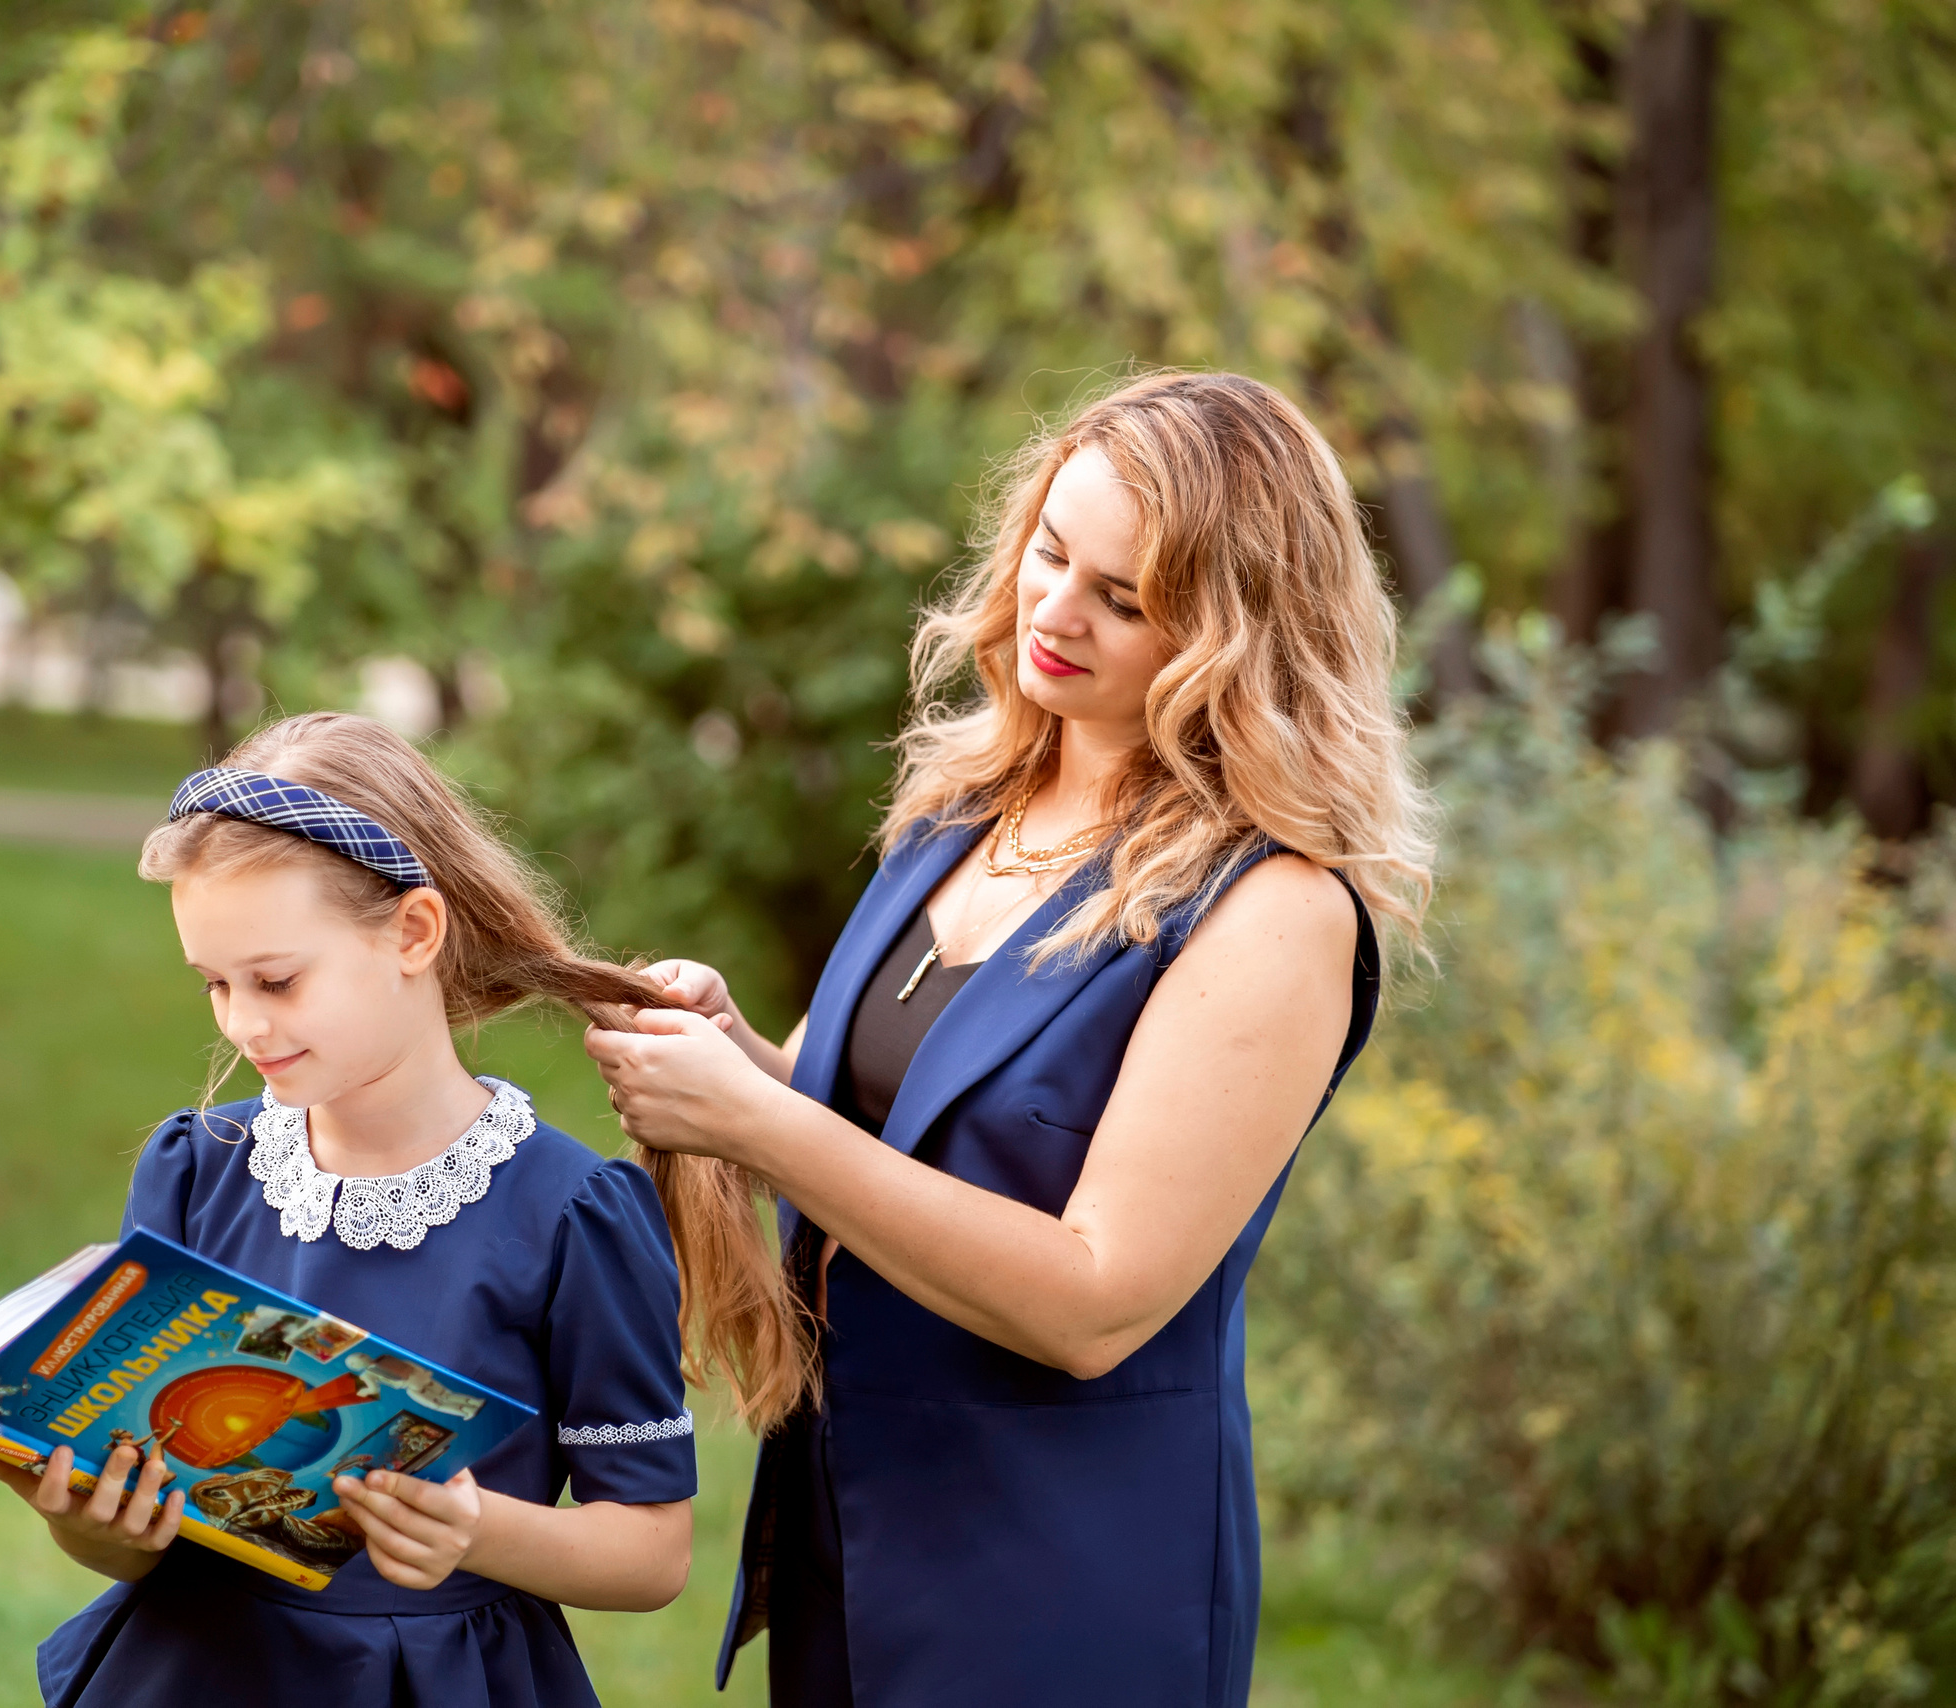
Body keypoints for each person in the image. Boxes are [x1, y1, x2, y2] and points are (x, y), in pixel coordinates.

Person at [585, 371, 1434, 1707]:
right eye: (1051, 550)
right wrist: (737, 1054)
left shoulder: (1272, 911)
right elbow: (871, 1121)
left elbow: (1098, 1300)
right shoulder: (966, 805)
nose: (1053, 609)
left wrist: (757, 1121)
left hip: (1061, 1587)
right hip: (850, 1538)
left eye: (1125, 598)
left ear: (1238, 635)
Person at [0, 712, 703, 1708]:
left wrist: (478, 1530)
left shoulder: (570, 1211)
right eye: (215, 986)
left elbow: (654, 1550)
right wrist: (91, 1521)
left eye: (275, 979)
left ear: (413, 932)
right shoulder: (199, 1168)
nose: (243, 1023)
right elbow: (138, 1539)